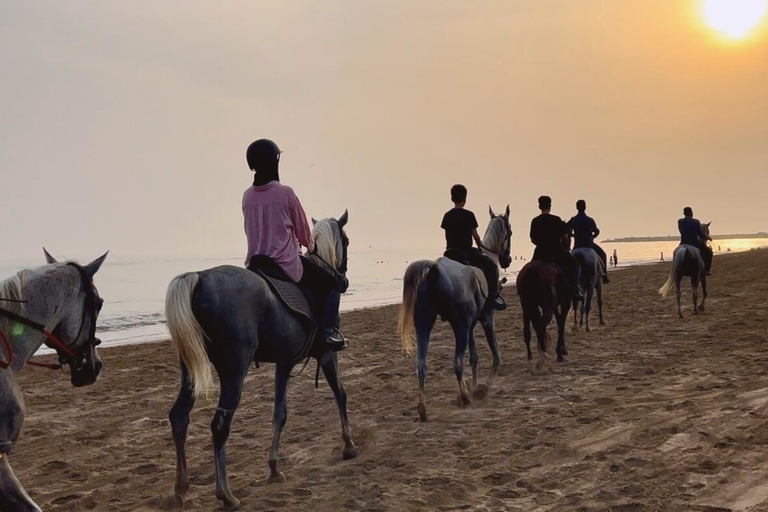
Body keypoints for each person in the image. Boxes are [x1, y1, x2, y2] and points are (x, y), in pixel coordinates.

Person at [242, 139, 347, 351]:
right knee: (332, 284)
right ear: (274, 162)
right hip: (284, 263)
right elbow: (303, 234)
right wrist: (311, 246)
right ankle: (327, 334)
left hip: (255, 264)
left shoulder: (246, 196)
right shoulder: (286, 193)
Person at [440, 184, 506, 311]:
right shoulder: (469, 215)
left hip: (450, 252)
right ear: (465, 198)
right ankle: (492, 298)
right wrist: (481, 247)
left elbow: (447, 237)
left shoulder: (447, 215)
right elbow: (476, 238)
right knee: (491, 266)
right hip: (466, 252)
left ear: (452, 198)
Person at [530, 196, 583, 300]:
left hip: (539, 253)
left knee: (530, 271)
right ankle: (575, 290)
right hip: (556, 252)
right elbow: (564, 236)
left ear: (539, 206)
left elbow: (532, 239)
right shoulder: (556, 219)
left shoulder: (535, 221)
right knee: (575, 266)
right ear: (550, 206)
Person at [567, 199, 610, 284]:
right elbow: (597, 231)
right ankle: (604, 275)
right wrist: (592, 237)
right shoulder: (590, 220)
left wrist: (574, 236)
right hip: (589, 245)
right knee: (603, 254)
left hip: (577, 246)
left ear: (576, 208)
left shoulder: (574, 220)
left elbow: (568, 232)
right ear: (585, 207)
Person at [678, 206, 712, 275]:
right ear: (691, 213)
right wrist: (708, 237)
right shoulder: (696, 222)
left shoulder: (680, 221)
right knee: (709, 252)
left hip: (683, 243)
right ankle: (706, 270)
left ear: (684, 213)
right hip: (694, 243)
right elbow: (700, 235)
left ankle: (676, 270)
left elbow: (682, 231)